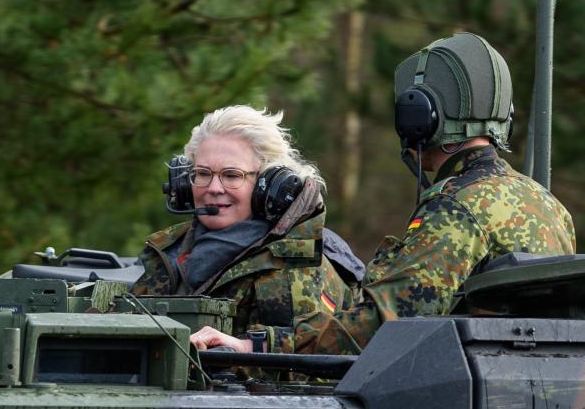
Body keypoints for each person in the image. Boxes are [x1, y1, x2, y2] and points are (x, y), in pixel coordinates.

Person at [190, 33, 576, 356]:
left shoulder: (457, 208)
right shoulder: (546, 203)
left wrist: (256, 346)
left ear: (420, 116)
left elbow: (385, 324)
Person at [132, 105, 362, 340]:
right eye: (202, 173)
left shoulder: (299, 263)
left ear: (268, 185)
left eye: (232, 175)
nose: (213, 188)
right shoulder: (166, 251)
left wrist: (233, 353)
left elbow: (312, 366)